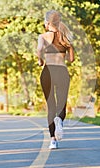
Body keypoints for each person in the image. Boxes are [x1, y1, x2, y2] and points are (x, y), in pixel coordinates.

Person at [37, 10, 74, 149]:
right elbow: (71, 59)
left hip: (47, 72)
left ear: (47, 23)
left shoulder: (43, 36)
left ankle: (53, 140)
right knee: (61, 104)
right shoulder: (65, 37)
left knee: (50, 106)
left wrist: (40, 60)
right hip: (62, 72)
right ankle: (59, 119)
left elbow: (39, 51)